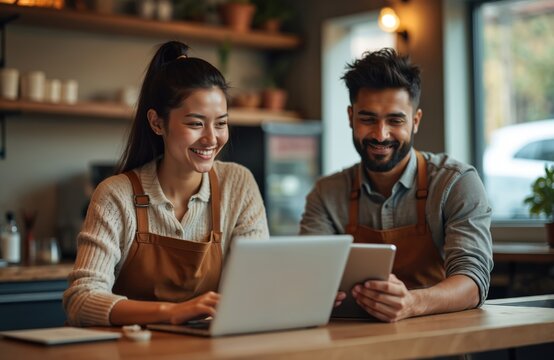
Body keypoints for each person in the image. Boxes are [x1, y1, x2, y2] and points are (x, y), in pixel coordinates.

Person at [63, 41, 269, 327]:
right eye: (196, 124)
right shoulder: (115, 195)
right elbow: (81, 299)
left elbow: (254, 287)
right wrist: (172, 312)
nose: (212, 138)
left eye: (220, 123)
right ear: (157, 123)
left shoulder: (238, 184)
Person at [300, 48, 493, 322]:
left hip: (439, 345)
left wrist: (413, 302)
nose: (381, 135)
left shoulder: (456, 183)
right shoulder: (326, 194)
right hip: (352, 344)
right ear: (350, 117)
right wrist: (314, 289)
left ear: (415, 121)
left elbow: (473, 283)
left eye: (395, 120)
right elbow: (308, 273)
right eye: (367, 119)